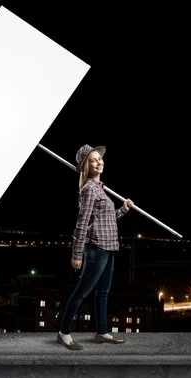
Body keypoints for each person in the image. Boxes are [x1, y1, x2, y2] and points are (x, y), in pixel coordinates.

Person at [57, 144, 134, 350]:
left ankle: (101, 332)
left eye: (99, 158)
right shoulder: (89, 189)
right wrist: (76, 253)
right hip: (96, 249)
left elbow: (107, 220)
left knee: (103, 293)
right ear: (86, 166)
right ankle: (64, 333)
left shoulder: (100, 188)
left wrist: (123, 210)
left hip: (109, 248)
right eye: (93, 160)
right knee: (81, 293)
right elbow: (82, 223)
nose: (98, 162)